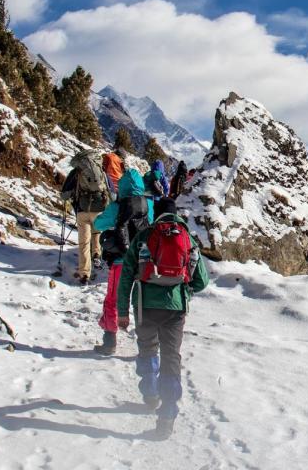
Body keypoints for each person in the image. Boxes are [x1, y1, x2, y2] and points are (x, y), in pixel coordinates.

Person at [118, 197, 209, 439]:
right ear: (175, 214)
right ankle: (167, 417)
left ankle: (150, 394)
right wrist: (183, 288)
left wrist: (122, 311)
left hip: (144, 305)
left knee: (147, 348)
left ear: (156, 215)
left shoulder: (144, 237)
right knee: (171, 358)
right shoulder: (187, 238)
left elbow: (126, 274)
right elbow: (202, 281)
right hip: (176, 309)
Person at [92, 169, 153, 355]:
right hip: (143, 261)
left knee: (113, 299)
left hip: (121, 261)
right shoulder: (148, 204)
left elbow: (98, 224)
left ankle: (109, 341)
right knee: (144, 302)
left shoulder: (117, 206)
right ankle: (148, 345)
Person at [60, 150, 110, 284]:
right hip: (99, 208)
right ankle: (96, 254)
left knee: (84, 242)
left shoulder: (76, 171)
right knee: (97, 232)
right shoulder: (100, 170)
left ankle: (84, 273)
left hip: (82, 209)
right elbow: (110, 189)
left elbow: (64, 194)